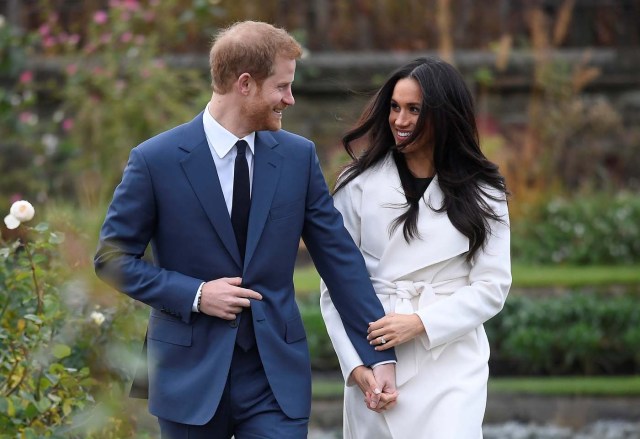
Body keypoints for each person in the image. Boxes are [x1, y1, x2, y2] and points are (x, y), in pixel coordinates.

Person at [94, 21, 397, 439]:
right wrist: (197, 295)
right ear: (245, 84)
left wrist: (379, 355)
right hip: (189, 376)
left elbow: (340, 260)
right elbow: (112, 260)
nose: (290, 99)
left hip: (275, 379)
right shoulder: (155, 160)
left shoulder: (297, 157)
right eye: (282, 87)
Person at [320, 56, 512, 438]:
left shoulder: (484, 191)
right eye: (394, 107)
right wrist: (355, 365)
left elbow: (493, 287)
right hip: (374, 357)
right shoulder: (357, 185)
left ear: (443, 115)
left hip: (450, 361)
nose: (399, 120)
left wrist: (421, 323)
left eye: (413, 110)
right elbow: (336, 285)